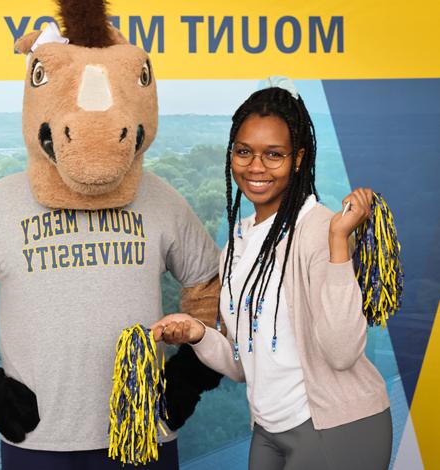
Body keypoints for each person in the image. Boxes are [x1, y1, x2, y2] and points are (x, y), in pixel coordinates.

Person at [151, 83, 392, 470]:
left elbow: (343, 352)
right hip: (268, 430)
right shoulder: (239, 243)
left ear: (298, 159)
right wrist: (198, 334)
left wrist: (337, 242)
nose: (255, 167)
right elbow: (243, 364)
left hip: (338, 427)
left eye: (273, 155)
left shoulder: (320, 231)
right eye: (244, 151)